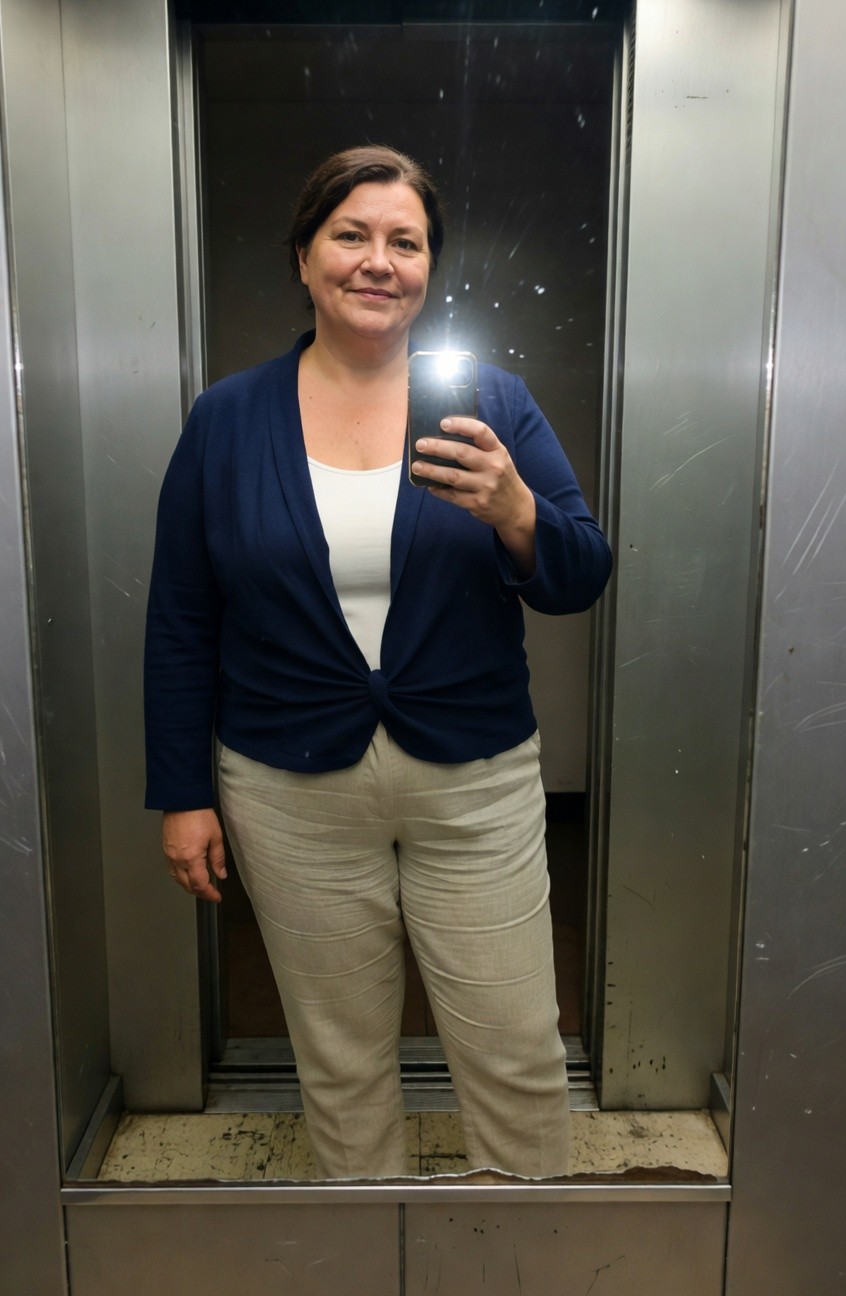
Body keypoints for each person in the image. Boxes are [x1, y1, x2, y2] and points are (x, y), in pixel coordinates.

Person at [144, 144, 612, 1180]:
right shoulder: (228, 418)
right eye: (351, 234)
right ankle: (370, 1248)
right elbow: (181, 614)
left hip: (475, 776)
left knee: (516, 1050)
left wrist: (517, 513)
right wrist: (182, 792)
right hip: (283, 783)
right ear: (304, 257)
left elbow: (580, 576)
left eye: (405, 241)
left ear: (429, 268)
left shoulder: (489, 401)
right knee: (341, 1059)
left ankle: (528, 1253)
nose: (378, 260)